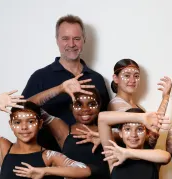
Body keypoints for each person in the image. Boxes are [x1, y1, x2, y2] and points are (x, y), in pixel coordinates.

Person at [22, 14, 110, 151]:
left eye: (76, 39)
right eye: (65, 39)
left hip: (92, 158)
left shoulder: (96, 79)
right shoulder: (41, 76)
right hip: (50, 162)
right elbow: (22, 110)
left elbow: (106, 121)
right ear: (57, 40)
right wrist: (59, 89)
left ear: (84, 40)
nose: (71, 44)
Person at [108, 58, 172, 148]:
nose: (132, 80)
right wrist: (165, 98)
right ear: (116, 78)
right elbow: (151, 130)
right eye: (127, 76)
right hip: (128, 160)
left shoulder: (137, 107)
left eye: (136, 76)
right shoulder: (117, 104)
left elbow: (152, 133)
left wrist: (166, 96)